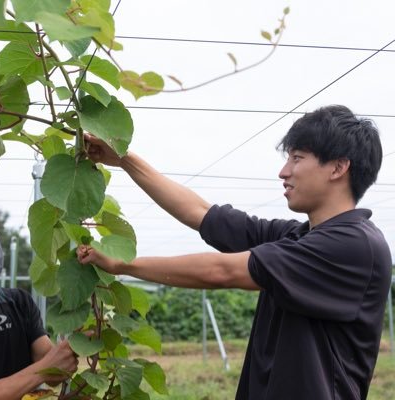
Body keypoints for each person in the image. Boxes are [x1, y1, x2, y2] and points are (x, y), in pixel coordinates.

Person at [76, 105, 392, 400]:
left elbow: (223, 270)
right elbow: (200, 212)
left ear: (337, 168)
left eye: (296, 158)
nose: (284, 171)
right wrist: (124, 158)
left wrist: (124, 265)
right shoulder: (296, 236)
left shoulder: (353, 246)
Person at [0, 235, 79, 400]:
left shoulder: (19, 302)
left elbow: (53, 373)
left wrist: (73, 345)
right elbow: (46, 366)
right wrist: (42, 370)